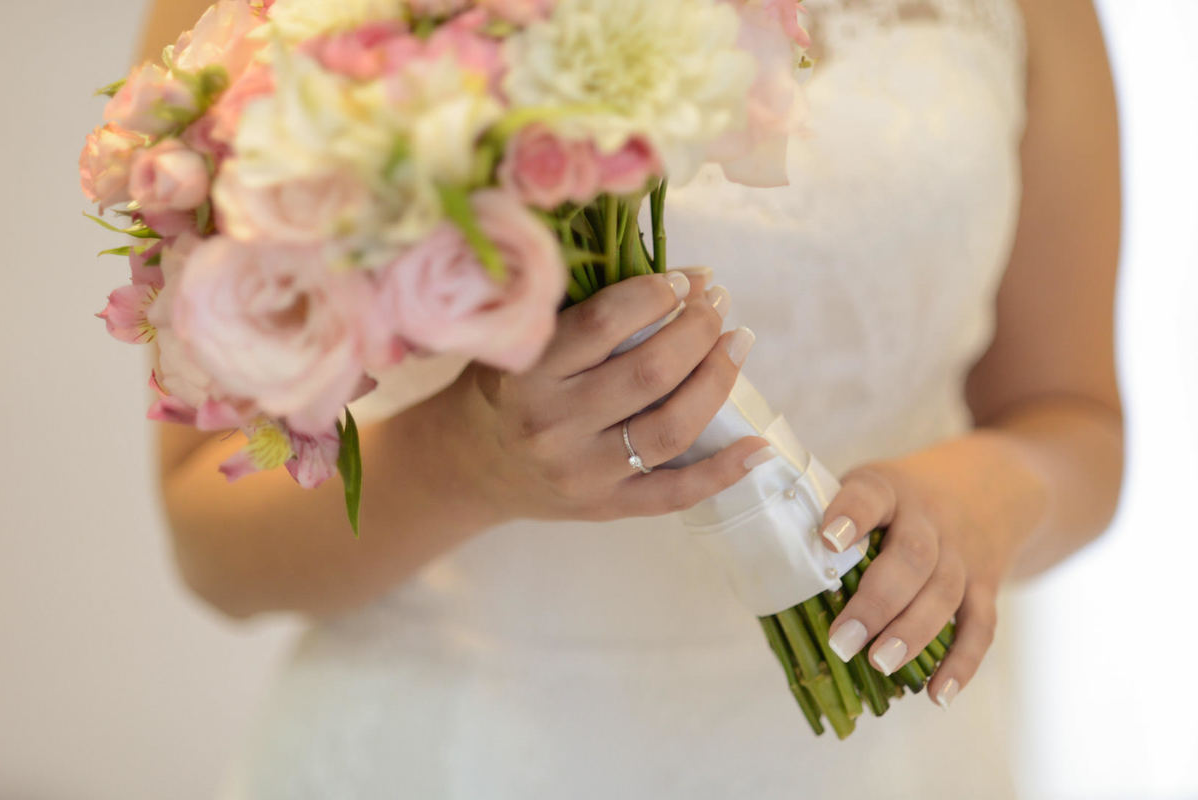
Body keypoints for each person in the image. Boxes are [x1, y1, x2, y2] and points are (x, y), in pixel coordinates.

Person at [146, 0, 1123, 797]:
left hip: (885, 763)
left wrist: (983, 498)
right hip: (451, 746)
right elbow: (212, 540)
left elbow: (1074, 416)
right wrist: (461, 463)